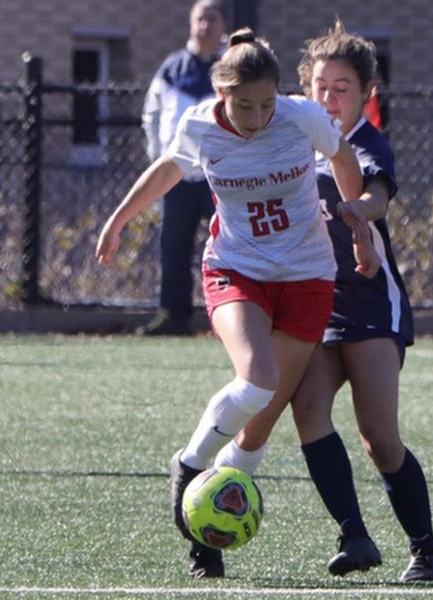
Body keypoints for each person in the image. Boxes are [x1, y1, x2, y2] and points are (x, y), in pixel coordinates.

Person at [97, 28, 377, 579]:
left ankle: (207, 538)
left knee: (258, 425)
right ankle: (190, 464)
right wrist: (119, 218)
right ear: (221, 95)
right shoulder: (200, 124)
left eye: (266, 104)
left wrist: (360, 226)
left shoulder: (301, 118)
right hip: (237, 268)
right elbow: (170, 168)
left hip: (308, 275)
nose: (256, 117)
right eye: (244, 106)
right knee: (256, 380)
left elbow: (344, 159)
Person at [213, 19, 433, 583]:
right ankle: (355, 536)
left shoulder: (366, 141)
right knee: (308, 411)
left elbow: (375, 193)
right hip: (310, 300)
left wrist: (358, 211)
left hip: (369, 304)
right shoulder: (290, 132)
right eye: (319, 86)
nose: (328, 97)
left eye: (341, 87)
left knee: (379, 439)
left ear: (366, 93)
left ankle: (425, 547)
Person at [138, 0, 227, 336]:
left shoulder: (227, 68)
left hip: (219, 178)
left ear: (222, 25)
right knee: (173, 247)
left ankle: (232, 317)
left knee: (227, 249)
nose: (205, 26)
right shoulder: (172, 68)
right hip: (177, 177)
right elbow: (152, 115)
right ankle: (173, 315)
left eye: (212, 19)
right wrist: (158, 157)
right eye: (200, 19)